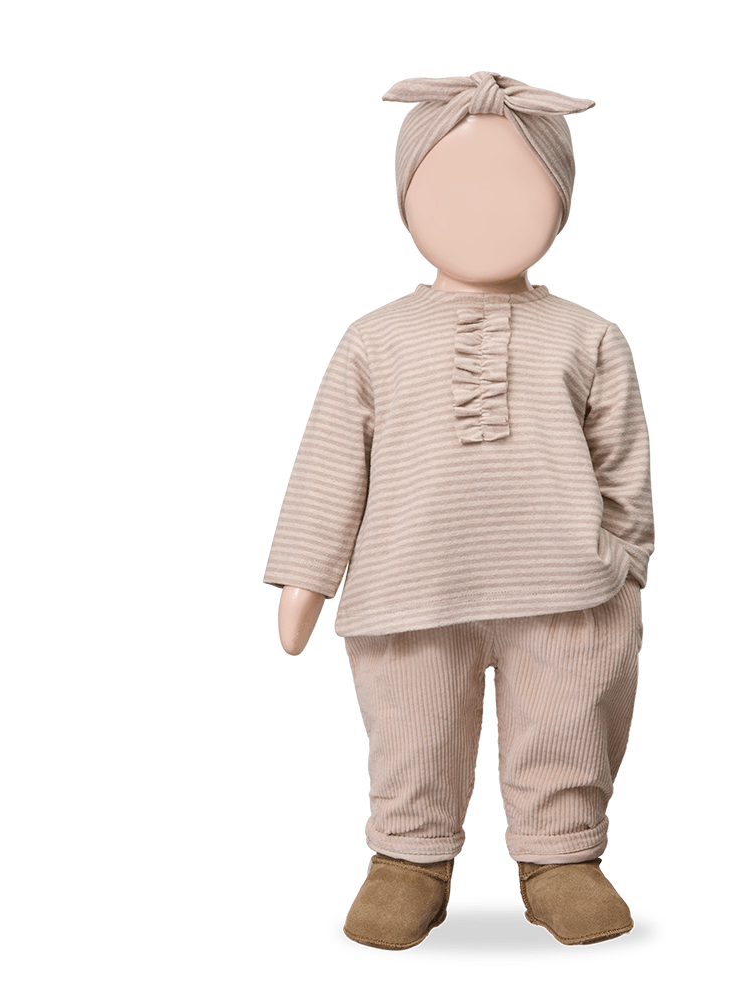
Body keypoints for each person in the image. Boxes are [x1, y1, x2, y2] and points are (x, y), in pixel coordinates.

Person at [264, 71, 654, 949]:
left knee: (568, 726)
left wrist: (626, 562)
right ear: (407, 200)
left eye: (518, 188)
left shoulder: (590, 335)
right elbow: (331, 460)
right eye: (450, 189)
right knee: (413, 728)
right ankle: (408, 858)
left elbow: (624, 464)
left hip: (567, 588)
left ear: (560, 203)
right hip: (408, 583)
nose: (484, 210)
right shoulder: (374, 338)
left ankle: (562, 858)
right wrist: (304, 576)